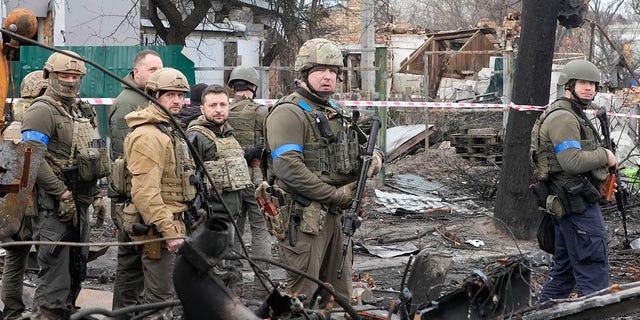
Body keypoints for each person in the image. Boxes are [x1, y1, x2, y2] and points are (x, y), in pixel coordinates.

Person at [262, 38, 383, 306]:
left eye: (333, 71)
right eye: (320, 70)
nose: (328, 77)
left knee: (339, 297)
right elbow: (288, 167)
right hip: (303, 218)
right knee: (301, 297)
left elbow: (363, 151)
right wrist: (335, 194)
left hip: (338, 218)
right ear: (304, 74)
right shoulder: (289, 113)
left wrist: (373, 161)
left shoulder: (334, 112)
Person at [21, 50, 108, 319]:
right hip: (53, 209)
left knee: (76, 272)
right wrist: (61, 193)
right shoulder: (41, 110)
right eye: (64, 75)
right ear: (50, 75)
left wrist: (98, 196)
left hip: (80, 203)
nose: (71, 81)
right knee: (56, 279)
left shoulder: (81, 110)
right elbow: (32, 159)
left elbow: (95, 152)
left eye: (76, 76)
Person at [530, 59, 617, 306]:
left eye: (592, 84)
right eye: (583, 83)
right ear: (568, 85)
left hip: (570, 203)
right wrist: (606, 156)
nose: (589, 88)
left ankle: (539, 315)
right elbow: (571, 161)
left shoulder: (571, 113)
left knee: (564, 275)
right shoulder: (564, 118)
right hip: (576, 207)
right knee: (594, 278)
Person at [123, 67, 194, 309]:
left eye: (180, 95)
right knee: (159, 301)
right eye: (169, 95)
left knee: (170, 297)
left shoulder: (169, 129)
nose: (176, 101)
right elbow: (145, 192)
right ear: (154, 95)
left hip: (174, 222)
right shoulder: (149, 135)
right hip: (160, 230)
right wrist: (169, 230)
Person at [107, 49, 162, 312]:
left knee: (140, 263)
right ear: (136, 72)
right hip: (131, 198)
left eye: (160, 69)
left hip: (142, 195)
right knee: (130, 263)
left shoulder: (146, 99)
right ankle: (123, 314)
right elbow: (123, 160)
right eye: (152, 70)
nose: (157, 74)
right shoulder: (128, 104)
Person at [1, 70, 48, 320]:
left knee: (14, 259)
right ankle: (42, 311)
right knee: (48, 261)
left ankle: (12, 312)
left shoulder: (8, 117)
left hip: (11, 202)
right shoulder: (40, 117)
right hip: (36, 201)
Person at [185, 84, 252, 243]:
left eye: (223, 104)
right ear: (202, 109)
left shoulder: (228, 133)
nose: (218, 109)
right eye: (213, 105)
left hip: (229, 216)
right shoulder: (196, 136)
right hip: (208, 220)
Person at [226, 66, 272, 297]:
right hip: (257, 181)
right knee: (260, 231)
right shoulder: (261, 111)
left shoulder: (224, 110)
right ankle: (261, 287)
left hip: (231, 181)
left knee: (236, 231)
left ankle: (234, 285)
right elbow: (271, 146)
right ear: (253, 86)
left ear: (233, 86)